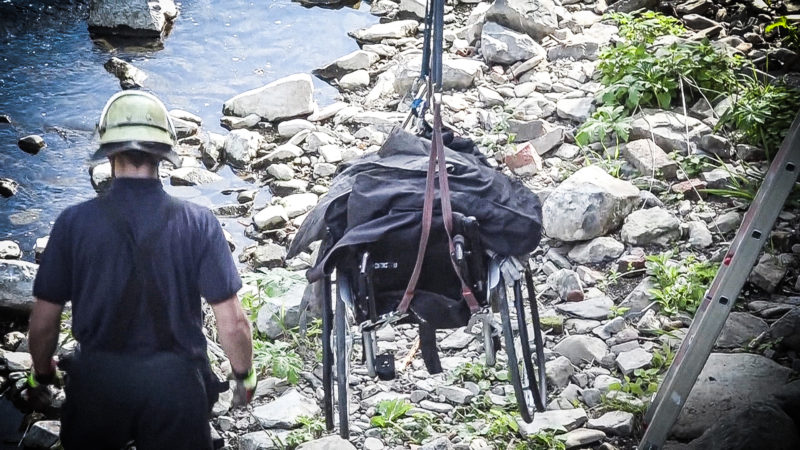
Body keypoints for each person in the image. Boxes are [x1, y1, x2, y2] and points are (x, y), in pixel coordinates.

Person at [24, 90, 255, 450]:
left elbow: (43, 322)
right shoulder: (199, 223)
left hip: (98, 385)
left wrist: (42, 374)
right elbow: (234, 322)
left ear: (109, 151)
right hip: (177, 389)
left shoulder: (73, 223)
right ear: (164, 153)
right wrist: (243, 375)